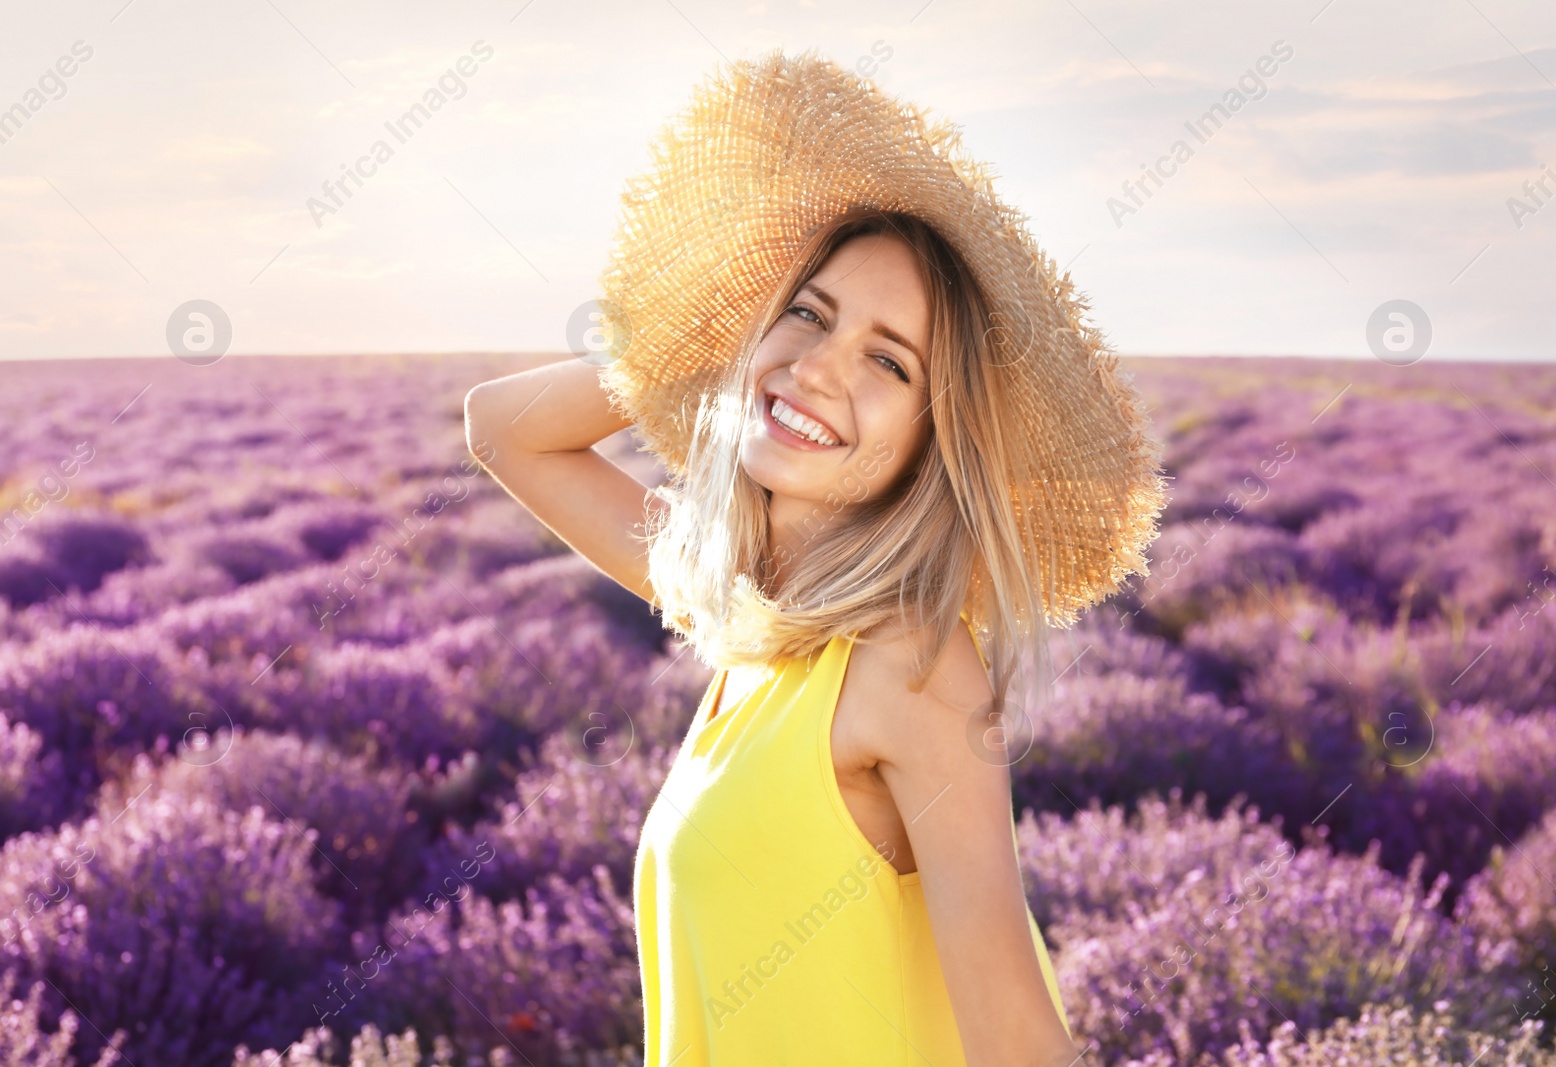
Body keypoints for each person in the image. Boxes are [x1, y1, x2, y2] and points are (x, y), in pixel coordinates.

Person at [464, 49, 1167, 1067]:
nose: (823, 366)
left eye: (889, 360)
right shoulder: (745, 612)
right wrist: (738, 331)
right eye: (811, 312)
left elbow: (1020, 1044)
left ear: (938, 434)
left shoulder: (910, 667)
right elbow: (501, 427)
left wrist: (780, 347)